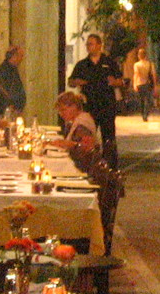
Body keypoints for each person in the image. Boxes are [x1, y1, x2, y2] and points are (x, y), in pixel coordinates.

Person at [50, 89, 124, 253]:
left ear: (74, 107)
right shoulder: (80, 120)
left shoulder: (82, 124)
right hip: (82, 168)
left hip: (84, 172)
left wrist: (68, 145)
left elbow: (85, 148)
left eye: (63, 109)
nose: (62, 114)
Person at [68, 33, 124, 167]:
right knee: (87, 135)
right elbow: (71, 81)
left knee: (108, 136)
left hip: (107, 104)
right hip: (89, 105)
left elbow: (121, 81)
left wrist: (115, 82)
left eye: (91, 44)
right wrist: (76, 81)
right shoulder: (82, 64)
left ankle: (111, 166)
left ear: (99, 45)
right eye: (87, 44)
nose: (89, 47)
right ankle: (89, 163)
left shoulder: (109, 63)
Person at [0, 45, 26, 118]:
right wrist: (11, 104)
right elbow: (0, 90)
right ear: (14, 56)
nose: (22, 59)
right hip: (6, 112)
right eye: (21, 56)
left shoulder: (13, 69)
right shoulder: (3, 70)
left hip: (14, 110)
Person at [131, 48, 154, 121]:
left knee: (141, 100)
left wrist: (134, 84)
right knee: (147, 99)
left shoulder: (136, 65)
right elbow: (153, 75)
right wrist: (155, 85)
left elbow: (136, 74)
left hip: (139, 83)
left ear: (139, 56)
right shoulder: (150, 64)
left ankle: (142, 114)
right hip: (148, 83)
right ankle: (145, 114)